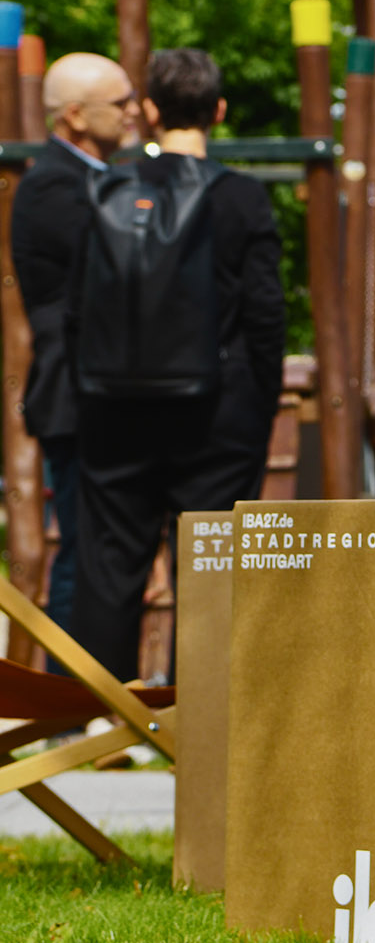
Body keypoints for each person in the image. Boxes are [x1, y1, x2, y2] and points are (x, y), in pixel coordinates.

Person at [70, 49, 285, 680]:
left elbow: (77, 309)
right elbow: (265, 316)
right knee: (213, 564)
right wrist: (259, 403)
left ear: (151, 111)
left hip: (115, 410)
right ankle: (207, 713)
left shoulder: (106, 190)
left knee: (110, 562)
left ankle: (102, 722)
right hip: (216, 415)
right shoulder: (242, 198)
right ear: (218, 110)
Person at [10, 53, 139, 657]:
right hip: (77, 395)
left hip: (102, 392)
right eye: (121, 103)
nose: (135, 112)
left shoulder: (90, 178)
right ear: (74, 116)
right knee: (88, 550)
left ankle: (109, 703)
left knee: (110, 549)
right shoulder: (54, 187)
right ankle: (73, 702)